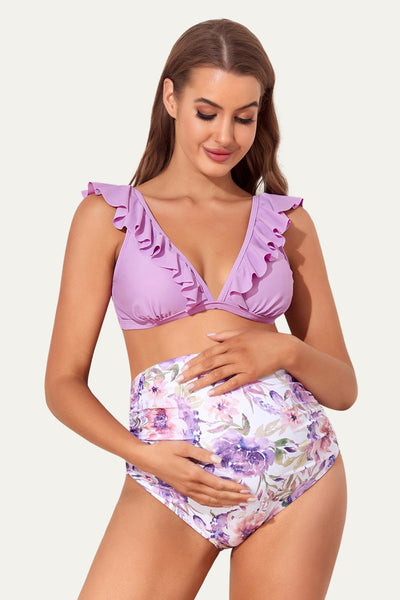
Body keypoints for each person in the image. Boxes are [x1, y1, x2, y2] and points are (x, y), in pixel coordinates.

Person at [45, 17, 357, 600]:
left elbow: (343, 388)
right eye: (207, 112)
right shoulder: (109, 217)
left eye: (244, 117)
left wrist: (283, 349)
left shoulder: (287, 223)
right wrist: (145, 457)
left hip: (300, 481)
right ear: (171, 98)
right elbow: (62, 383)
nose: (225, 136)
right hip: (170, 480)